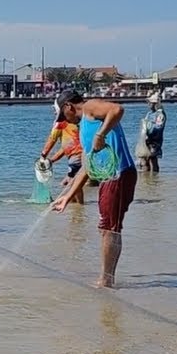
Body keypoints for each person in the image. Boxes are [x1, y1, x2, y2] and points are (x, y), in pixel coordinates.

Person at [50, 90, 136, 288]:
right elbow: (88, 166)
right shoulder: (83, 127)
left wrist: (101, 134)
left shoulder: (89, 108)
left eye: (64, 115)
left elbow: (117, 109)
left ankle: (106, 281)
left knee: (109, 228)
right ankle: (107, 277)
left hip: (119, 174)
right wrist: (67, 196)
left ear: (69, 106)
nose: (66, 120)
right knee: (107, 227)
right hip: (109, 177)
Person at [39, 115, 84, 204]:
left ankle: (80, 207)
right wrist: (52, 160)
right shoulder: (73, 123)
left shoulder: (60, 123)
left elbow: (52, 139)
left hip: (76, 155)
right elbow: (65, 147)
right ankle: (74, 205)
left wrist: (43, 155)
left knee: (74, 182)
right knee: (68, 182)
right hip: (80, 154)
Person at [139, 94, 166, 172]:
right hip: (147, 139)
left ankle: (154, 179)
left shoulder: (160, 114)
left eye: (150, 103)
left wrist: (148, 128)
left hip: (155, 140)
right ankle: (148, 179)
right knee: (145, 159)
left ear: (155, 104)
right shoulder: (149, 113)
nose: (148, 104)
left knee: (153, 159)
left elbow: (159, 127)